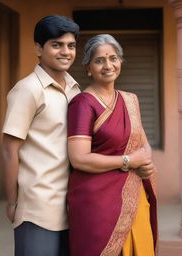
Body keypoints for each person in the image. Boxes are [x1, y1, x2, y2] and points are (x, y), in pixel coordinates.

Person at [67, 34, 158, 256]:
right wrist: (129, 161)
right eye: (99, 60)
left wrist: (145, 163)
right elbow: (79, 158)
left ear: (120, 62)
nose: (108, 65)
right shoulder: (82, 104)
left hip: (134, 196)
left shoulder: (130, 99)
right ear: (88, 67)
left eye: (113, 58)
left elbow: (144, 146)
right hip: (97, 204)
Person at [1, 15, 80, 256]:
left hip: (73, 206)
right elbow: (9, 149)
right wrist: (13, 202)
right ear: (38, 48)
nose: (65, 51)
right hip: (37, 208)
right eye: (56, 45)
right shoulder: (27, 89)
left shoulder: (76, 88)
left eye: (71, 45)